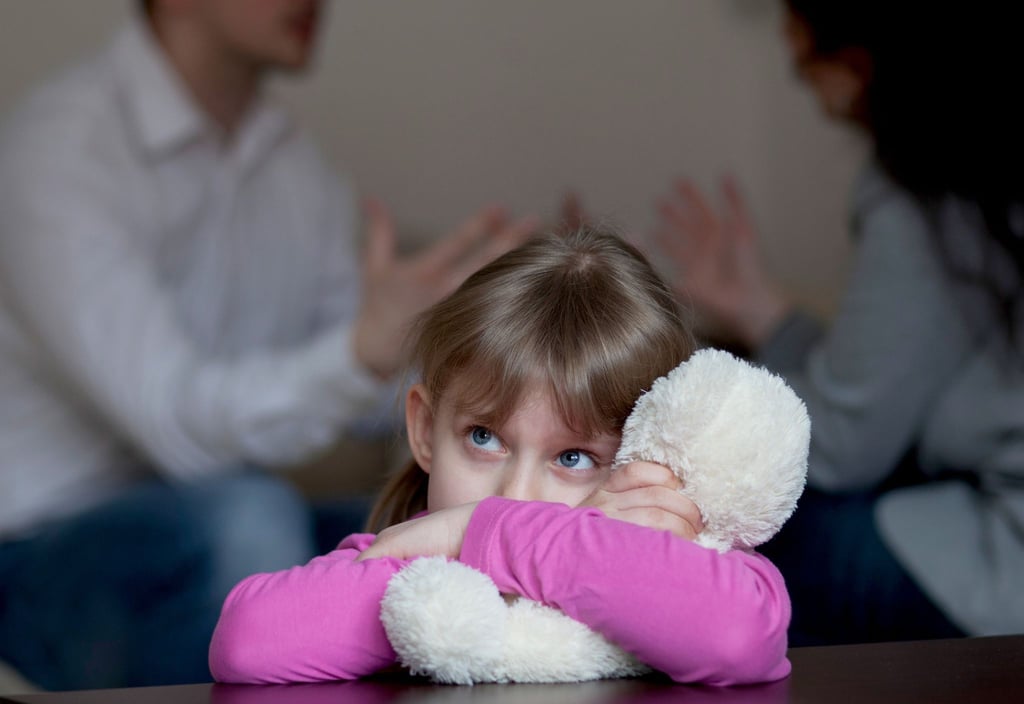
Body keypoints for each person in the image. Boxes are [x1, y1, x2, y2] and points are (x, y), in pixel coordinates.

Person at [0, 0, 537, 690]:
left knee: (441, 533)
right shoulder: (60, 152)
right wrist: (361, 353)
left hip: (218, 525)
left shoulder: (292, 168)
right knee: (250, 515)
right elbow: (179, 429)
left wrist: (502, 346)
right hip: (43, 555)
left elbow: (367, 388)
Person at [208, 228, 792, 686]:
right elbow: (246, 641)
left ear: (647, 458)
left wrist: (499, 534)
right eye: (484, 438)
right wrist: (474, 543)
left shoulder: (676, 553)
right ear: (424, 429)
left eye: (573, 457)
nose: (515, 496)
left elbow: (739, 636)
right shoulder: (412, 564)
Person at [652, 0, 1024, 645]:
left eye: (803, 64)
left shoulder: (932, 183)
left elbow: (845, 448)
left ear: (856, 65)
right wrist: (763, 313)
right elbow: (895, 375)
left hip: (1002, 570)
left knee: (711, 552)